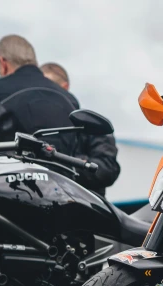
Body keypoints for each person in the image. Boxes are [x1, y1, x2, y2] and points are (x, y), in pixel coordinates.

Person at [40, 62, 121, 196]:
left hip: (81, 205)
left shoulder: (89, 123)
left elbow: (108, 168)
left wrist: (65, 164)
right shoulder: (28, 123)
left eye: (50, 88)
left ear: (65, 87)